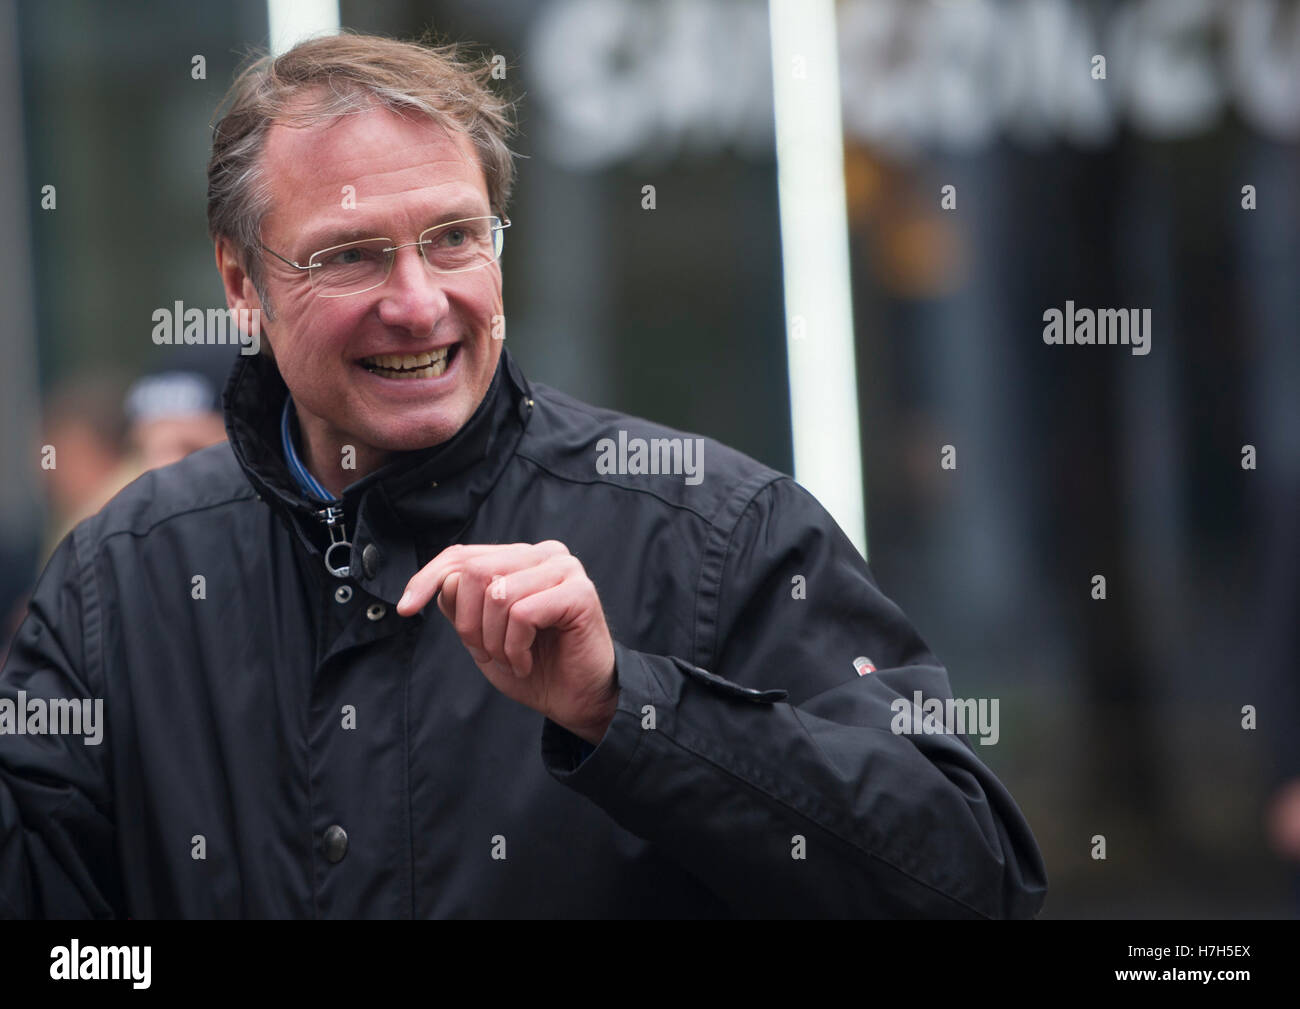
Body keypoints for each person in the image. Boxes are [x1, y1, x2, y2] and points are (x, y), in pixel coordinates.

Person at [0, 33, 1047, 918]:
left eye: (454, 238)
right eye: (351, 256)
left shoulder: (717, 533)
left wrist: (622, 707)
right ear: (241, 283)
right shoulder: (120, 579)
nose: (417, 302)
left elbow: (970, 877)